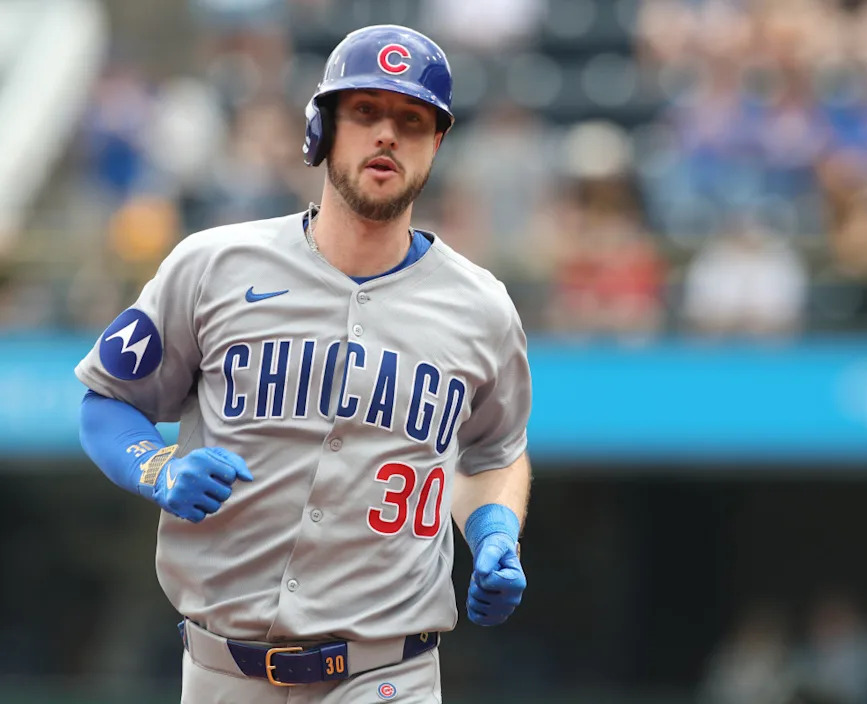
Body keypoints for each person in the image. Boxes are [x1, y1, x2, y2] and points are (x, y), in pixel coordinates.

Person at [75, 24, 532, 703]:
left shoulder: (482, 308)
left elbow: (493, 452)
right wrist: (156, 465)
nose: (387, 134)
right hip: (219, 671)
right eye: (366, 112)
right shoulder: (213, 266)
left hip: (387, 673)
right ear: (322, 130)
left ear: (436, 145)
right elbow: (107, 398)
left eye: (412, 120)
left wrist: (496, 532)